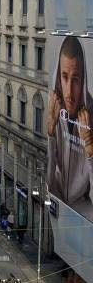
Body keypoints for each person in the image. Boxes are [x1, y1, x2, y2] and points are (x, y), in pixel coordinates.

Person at [46, 35, 93, 208]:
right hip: (56, 204)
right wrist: (50, 132)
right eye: (65, 77)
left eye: (76, 80)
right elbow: (49, 184)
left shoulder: (91, 114)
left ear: (84, 80)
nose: (69, 92)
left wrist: (89, 148)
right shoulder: (55, 106)